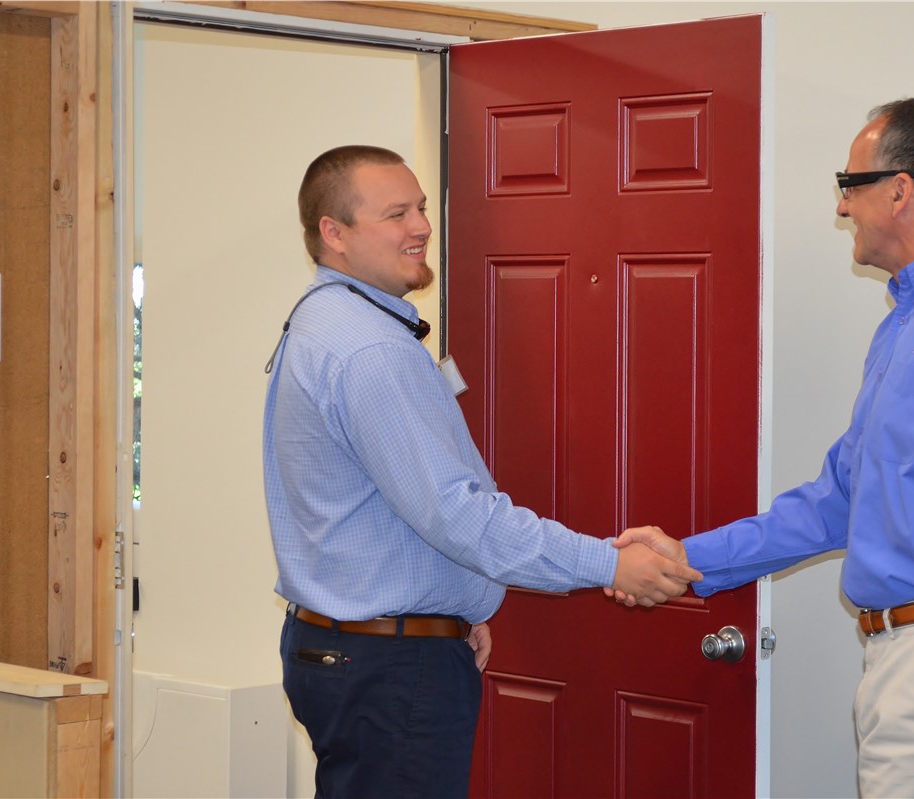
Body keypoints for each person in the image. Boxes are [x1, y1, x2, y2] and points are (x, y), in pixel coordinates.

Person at [613, 98, 914, 799]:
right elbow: (839, 500)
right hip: (902, 665)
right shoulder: (911, 319)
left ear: (901, 191)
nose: (842, 208)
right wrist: (689, 559)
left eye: (851, 184)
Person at [263, 144, 700, 798]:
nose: (420, 226)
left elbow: (379, 500)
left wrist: (455, 596)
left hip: (352, 649)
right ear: (335, 234)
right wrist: (607, 563)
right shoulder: (369, 350)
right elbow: (457, 512)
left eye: (420, 207)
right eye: (394, 214)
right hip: (390, 667)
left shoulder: (322, 320)